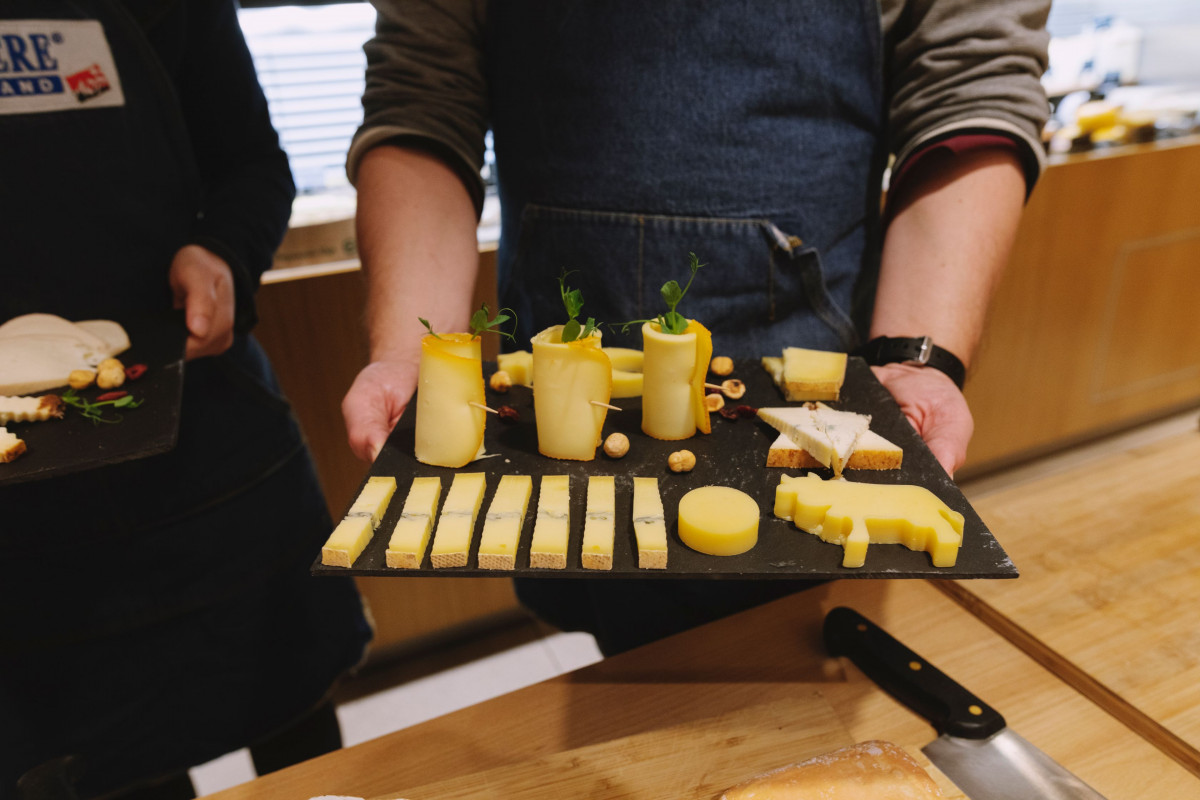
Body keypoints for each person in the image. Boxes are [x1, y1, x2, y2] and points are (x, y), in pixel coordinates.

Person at [341, 0, 1050, 655]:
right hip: (552, 396)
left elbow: (971, 85)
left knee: (796, 662)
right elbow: (423, 101)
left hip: (813, 376)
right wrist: (410, 351)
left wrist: (913, 356)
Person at [0, 2, 372, 799]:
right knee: (115, 765)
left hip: (209, 441)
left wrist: (222, 252)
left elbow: (253, 164)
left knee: (296, 729)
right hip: (25, 517)